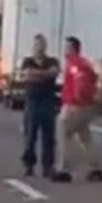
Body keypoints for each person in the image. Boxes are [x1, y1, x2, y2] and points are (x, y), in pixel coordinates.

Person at [53, 36, 102, 183]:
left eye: (67, 47)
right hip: (88, 107)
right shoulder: (85, 62)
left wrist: (76, 98)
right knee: (85, 137)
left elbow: (79, 81)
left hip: (75, 105)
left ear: (73, 48)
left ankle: (63, 169)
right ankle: (95, 168)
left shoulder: (74, 64)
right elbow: (95, 78)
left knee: (63, 132)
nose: (65, 50)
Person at [20, 34, 60, 178]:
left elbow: (54, 73)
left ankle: (48, 166)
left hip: (48, 103)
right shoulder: (27, 61)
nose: (39, 48)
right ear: (33, 46)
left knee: (49, 137)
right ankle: (29, 165)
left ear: (45, 46)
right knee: (30, 136)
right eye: (37, 45)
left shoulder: (52, 60)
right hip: (32, 103)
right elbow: (28, 74)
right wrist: (45, 75)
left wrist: (37, 75)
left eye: (41, 44)